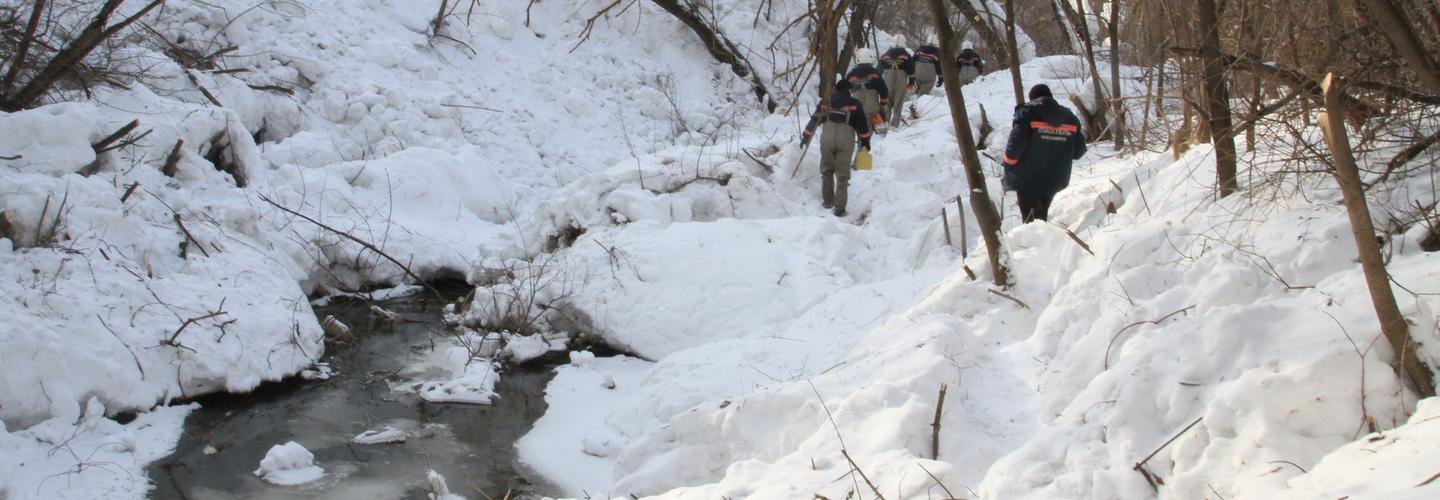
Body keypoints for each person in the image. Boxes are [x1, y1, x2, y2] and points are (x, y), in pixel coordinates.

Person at [1001, 84, 1086, 223]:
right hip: (1055, 178)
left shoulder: (1027, 113)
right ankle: (1042, 241)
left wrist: (1008, 163)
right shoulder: (1070, 117)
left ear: (1032, 99)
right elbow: (1079, 152)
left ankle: (1032, 243)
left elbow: (1015, 146)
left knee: (1031, 222)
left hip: (1027, 179)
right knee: (1041, 219)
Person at [801, 80, 872, 217]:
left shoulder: (825, 103)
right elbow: (863, 126)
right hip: (845, 140)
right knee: (842, 175)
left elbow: (814, 121)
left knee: (827, 169)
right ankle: (839, 208)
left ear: (836, 90)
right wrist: (865, 143)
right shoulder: (855, 104)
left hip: (827, 138)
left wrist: (806, 136)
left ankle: (828, 201)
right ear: (849, 90)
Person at [846, 48, 889, 134]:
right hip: (872, 107)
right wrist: (883, 104)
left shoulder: (851, 75)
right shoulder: (875, 73)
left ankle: (861, 144)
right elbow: (883, 89)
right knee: (868, 132)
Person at [879, 35, 915, 128]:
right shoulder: (906, 55)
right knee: (898, 104)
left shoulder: (885, 55)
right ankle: (894, 125)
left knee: (887, 103)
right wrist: (910, 83)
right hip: (901, 80)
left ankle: (885, 123)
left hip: (887, 80)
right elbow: (911, 71)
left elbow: (878, 70)